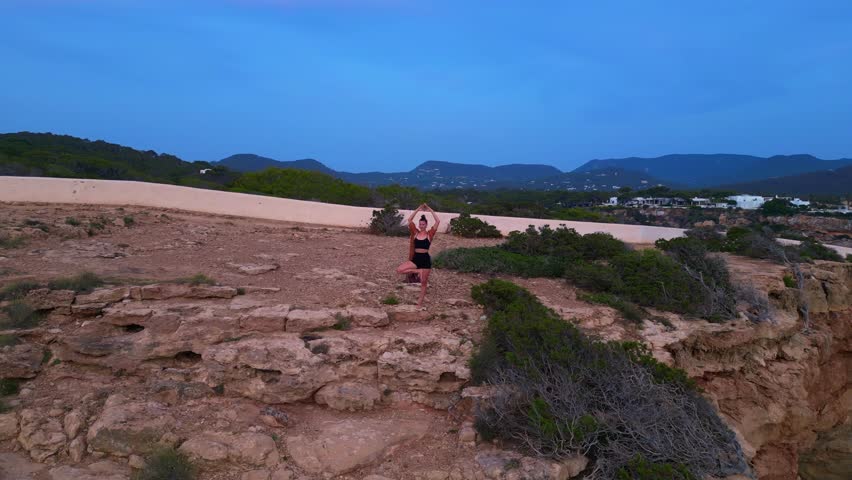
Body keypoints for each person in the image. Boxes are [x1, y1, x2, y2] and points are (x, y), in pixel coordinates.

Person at [396, 203, 440, 307]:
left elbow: (437, 221)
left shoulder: (430, 234)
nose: (421, 226)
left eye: (423, 224)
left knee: (423, 283)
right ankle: (418, 271)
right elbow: (410, 220)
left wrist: (429, 209)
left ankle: (419, 303)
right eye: (420, 224)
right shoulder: (415, 233)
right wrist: (419, 208)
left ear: (426, 225)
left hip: (425, 260)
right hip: (415, 259)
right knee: (399, 270)